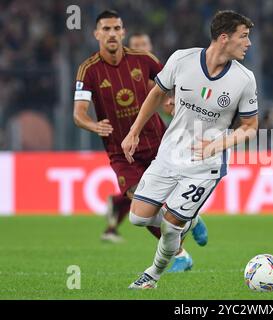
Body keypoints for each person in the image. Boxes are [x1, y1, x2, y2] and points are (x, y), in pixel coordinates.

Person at [122, 10, 258, 289]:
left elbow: (250, 127)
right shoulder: (181, 60)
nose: (249, 43)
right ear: (223, 38)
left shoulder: (245, 80)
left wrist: (219, 144)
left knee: (171, 226)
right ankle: (192, 220)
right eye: (243, 36)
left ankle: (153, 275)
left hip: (205, 164)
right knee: (137, 217)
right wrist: (133, 131)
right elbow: (157, 94)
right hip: (170, 153)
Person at [73, 10, 207, 272]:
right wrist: (93, 125)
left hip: (158, 141)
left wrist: (174, 101)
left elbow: (173, 84)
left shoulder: (144, 60)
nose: (112, 34)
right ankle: (180, 252)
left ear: (123, 32)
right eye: (106, 29)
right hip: (121, 151)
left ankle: (190, 219)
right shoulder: (87, 70)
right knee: (141, 207)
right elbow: (78, 114)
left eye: (116, 28)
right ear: (96, 34)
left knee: (168, 197)